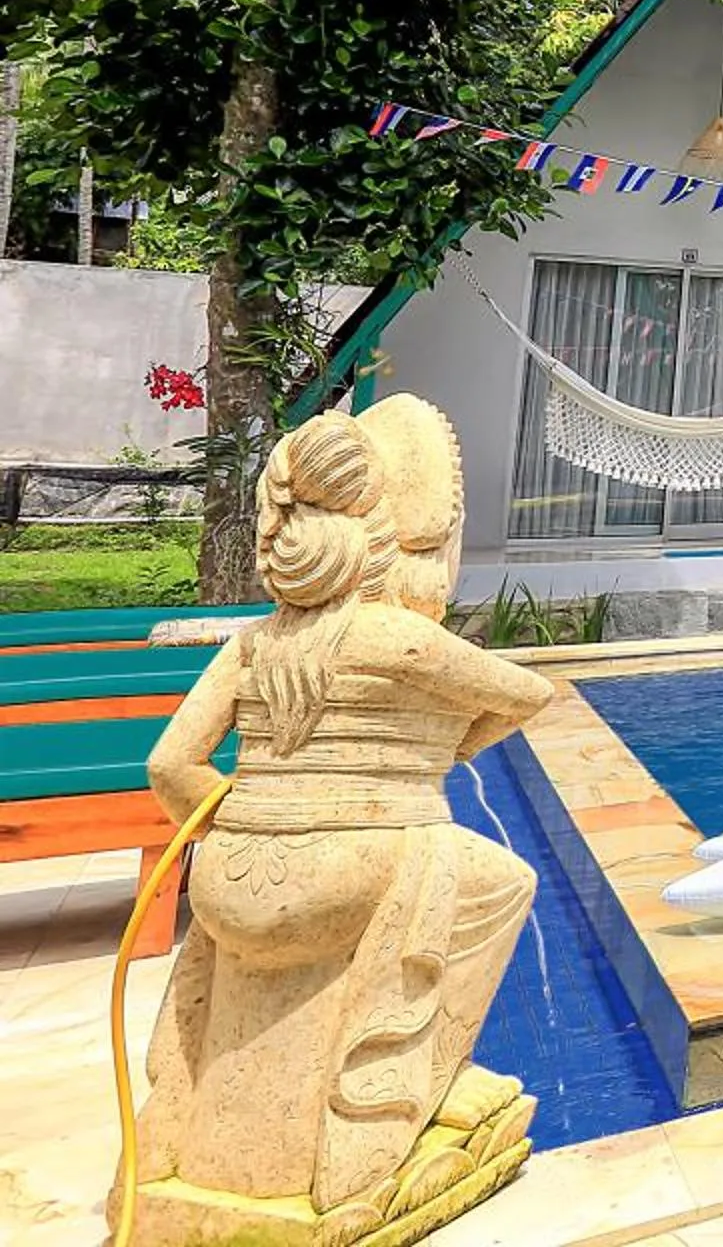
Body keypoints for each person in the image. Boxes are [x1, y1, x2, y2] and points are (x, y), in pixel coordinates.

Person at [124, 401, 555, 1227]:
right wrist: (441, 755)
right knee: (504, 882)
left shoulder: (252, 642)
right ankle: (416, 1075)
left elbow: (169, 765)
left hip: (226, 879)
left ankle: (196, 1120)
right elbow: (528, 694)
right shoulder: (400, 638)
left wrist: (238, 823)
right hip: (353, 871)